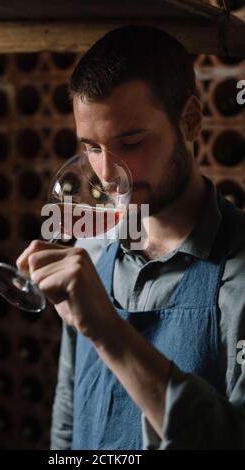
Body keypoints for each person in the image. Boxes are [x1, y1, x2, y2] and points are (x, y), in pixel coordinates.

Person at [16, 26, 245, 450]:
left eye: (131, 142)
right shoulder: (91, 250)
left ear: (190, 119)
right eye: (91, 148)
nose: (105, 176)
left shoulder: (239, 273)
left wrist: (108, 330)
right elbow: (69, 410)